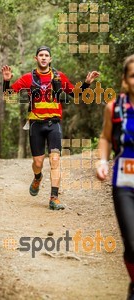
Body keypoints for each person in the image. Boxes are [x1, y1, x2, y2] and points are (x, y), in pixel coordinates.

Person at [2, 45, 99, 210]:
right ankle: (37, 177)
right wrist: (6, 81)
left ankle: (54, 198)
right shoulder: (28, 78)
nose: (44, 57)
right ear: (36, 58)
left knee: (55, 160)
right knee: (38, 162)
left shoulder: (59, 76)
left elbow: (74, 94)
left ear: (50, 59)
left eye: (47, 55)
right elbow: (8, 96)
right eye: (41, 55)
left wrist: (86, 84)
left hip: (54, 123)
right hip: (35, 125)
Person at [96, 54, 134, 300]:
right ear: (125, 80)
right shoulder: (115, 107)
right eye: (133, 75)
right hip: (125, 183)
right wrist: (101, 160)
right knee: (132, 243)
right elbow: (105, 137)